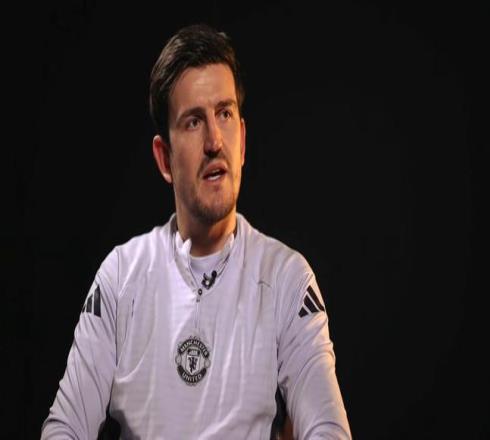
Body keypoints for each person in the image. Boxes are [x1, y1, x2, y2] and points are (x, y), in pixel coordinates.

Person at [41, 24, 351, 439]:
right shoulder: (119, 277)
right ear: (164, 158)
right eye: (193, 122)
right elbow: (64, 427)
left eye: (225, 114)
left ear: (242, 140)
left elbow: (329, 431)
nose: (214, 141)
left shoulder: (286, 279)